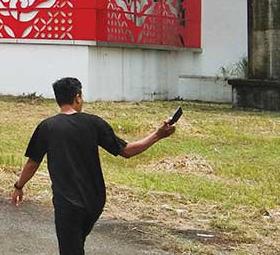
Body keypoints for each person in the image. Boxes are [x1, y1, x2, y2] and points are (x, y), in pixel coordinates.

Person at [10, 77, 176, 255]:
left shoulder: (47, 127)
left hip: (67, 204)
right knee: (75, 245)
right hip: (95, 202)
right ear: (78, 97)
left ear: (58, 99)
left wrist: (19, 186)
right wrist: (157, 135)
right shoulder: (94, 123)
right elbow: (127, 151)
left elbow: (33, 163)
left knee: (71, 249)